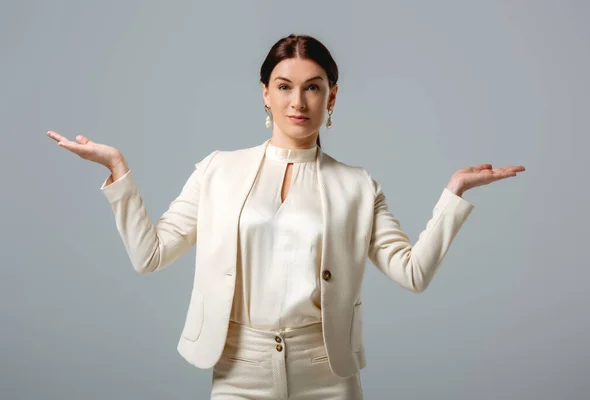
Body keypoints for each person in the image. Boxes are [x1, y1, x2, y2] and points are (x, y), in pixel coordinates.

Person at [46, 33, 525, 399]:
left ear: (331, 97)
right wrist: (118, 172)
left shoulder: (357, 185)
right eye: (285, 86)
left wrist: (453, 195)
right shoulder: (218, 170)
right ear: (265, 94)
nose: (298, 102)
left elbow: (413, 273)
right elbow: (149, 255)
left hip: (327, 373)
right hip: (238, 370)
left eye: (313, 88)